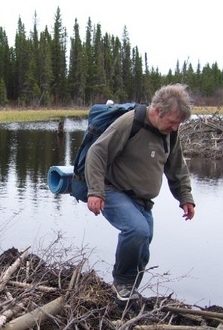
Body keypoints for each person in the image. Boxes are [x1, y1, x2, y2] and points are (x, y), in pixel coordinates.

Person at [84, 83, 196, 307]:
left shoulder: (170, 134)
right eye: (172, 122)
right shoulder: (130, 122)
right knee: (137, 230)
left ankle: (128, 292)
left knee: (144, 243)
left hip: (142, 201)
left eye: (179, 124)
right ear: (157, 111)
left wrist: (185, 197)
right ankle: (122, 284)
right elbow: (97, 152)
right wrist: (95, 191)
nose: (175, 128)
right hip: (113, 190)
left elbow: (177, 168)